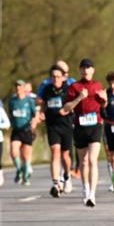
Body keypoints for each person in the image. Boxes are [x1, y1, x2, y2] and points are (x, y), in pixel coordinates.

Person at [63, 59, 107, 207]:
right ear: (80, 70)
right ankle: (85, 188)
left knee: (93, 160)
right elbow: (67, 108)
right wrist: (79, 97)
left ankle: (92, 194)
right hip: (80, 126)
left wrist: (105, 100)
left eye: (89, 68)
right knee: (83, 161)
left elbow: (103, 105)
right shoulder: (74, 87)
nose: (86, 71)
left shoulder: (98, 85)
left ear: (93, 70)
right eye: (83, 68)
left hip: (95, 125)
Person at [38, 66, 75, 198]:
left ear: (63, 77)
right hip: (52, 124)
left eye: (58, 76)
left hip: (66, 125)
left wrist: (69, 109)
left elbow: (74, 103)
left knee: (65, 155)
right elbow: (42, 103)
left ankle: (67, 175)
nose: (55, 79)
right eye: (53, 77)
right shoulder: (47, 89)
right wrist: (41, 113)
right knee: (55, 152)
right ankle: (56, 184)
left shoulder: (68, 89)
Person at [8, 79, 38, 186]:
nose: (18, 88)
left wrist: (34, 124)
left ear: (24, 88)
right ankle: (19, 170)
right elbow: (10, 114)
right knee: (13, 151)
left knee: (26, 155)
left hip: (26, 130)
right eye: (16, 86)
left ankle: (26, 175)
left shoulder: (29, 101)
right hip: (16, 130)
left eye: (20, 86)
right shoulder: (12, 101)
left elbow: (35, 115)